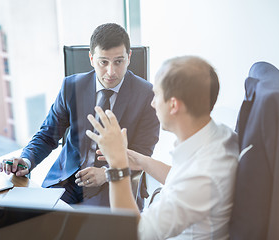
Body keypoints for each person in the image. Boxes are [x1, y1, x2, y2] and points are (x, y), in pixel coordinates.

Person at [0, 23, 159, 208]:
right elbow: (48, 135)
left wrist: (107, 173)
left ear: (129, 57)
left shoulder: (148, 95)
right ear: (91, 58)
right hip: (67, 178)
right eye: (103, 62)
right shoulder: (71, 86)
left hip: (112, 182)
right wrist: (26, 160)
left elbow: (143, 154)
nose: (111, 72)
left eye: (118, 61)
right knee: (41, 222)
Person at [86, 56, 239, 239]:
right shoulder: (219, 135)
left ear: (173, 105)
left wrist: (117, 165)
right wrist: (140, 160)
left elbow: (131, 233)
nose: (152, 103)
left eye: (156, 95)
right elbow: (182, 179)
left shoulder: (203, 175)